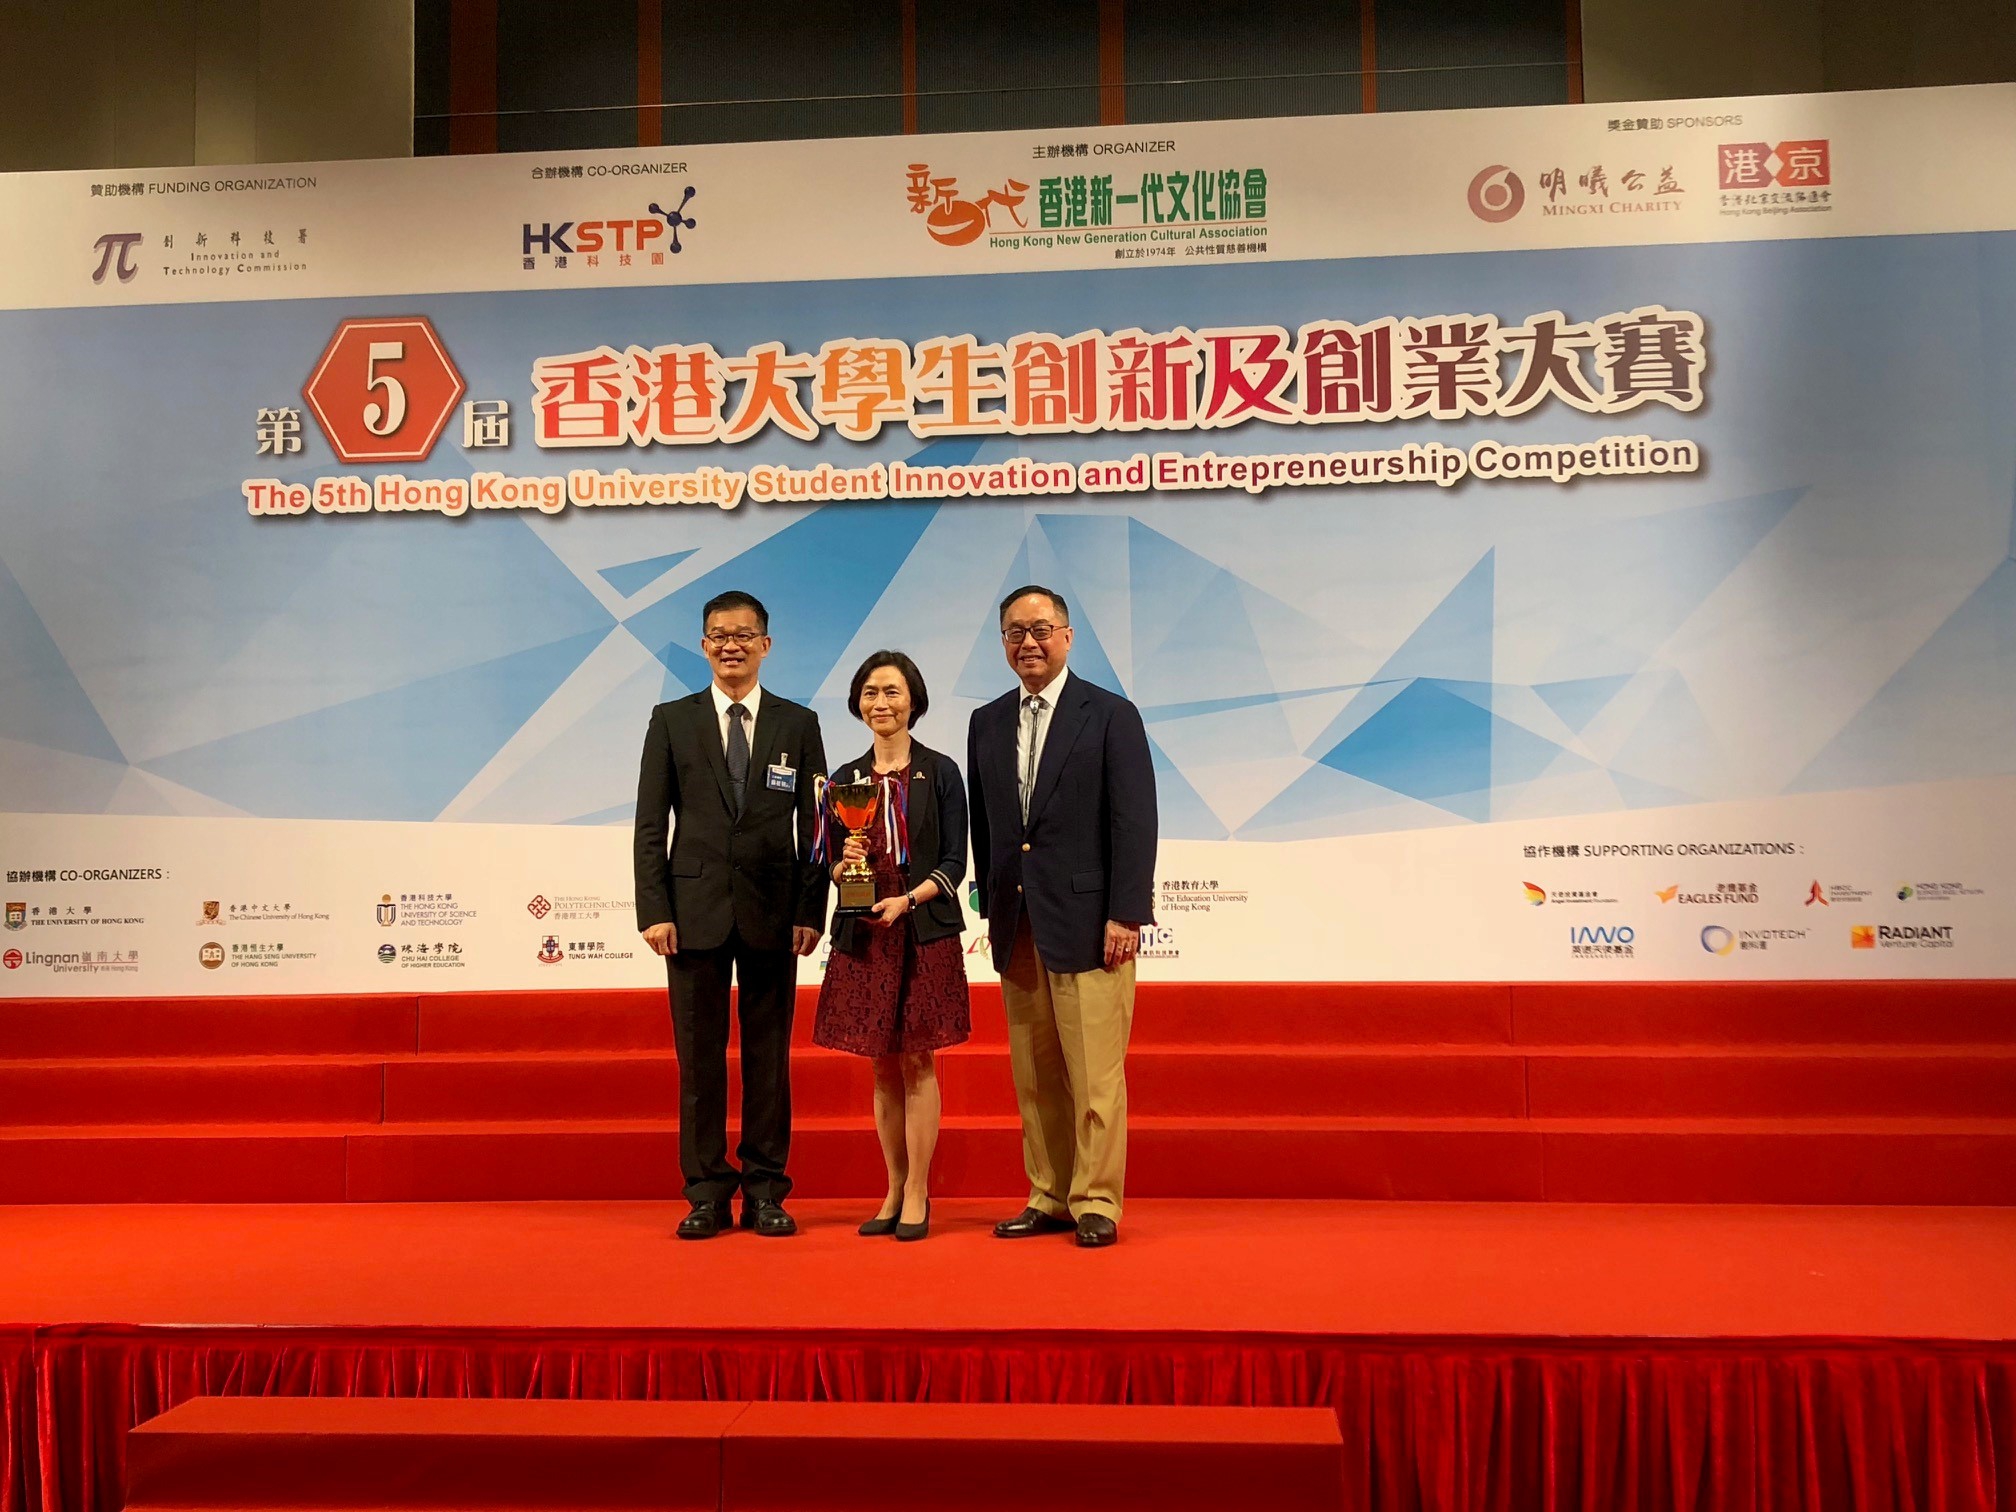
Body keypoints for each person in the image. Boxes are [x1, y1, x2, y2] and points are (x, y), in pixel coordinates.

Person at [634, 590, 827, 1239]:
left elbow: (820, 826)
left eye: (744, 635)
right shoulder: (671, 720)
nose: (731, 645)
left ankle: (767, 1189)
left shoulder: (797, 724)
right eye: (719, 635)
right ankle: (706, 1192)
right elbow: (648, 823)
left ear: (765, 645)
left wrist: (811, 908)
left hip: (776, 914)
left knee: (769, 1058)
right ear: (704, 644)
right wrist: (654, 908)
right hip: (692, 914)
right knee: (700, 1059)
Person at [967, 585, 1157, 1248]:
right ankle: (1048, 1193)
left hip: (1091, 924)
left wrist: (1127, 912)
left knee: (1095, 1074)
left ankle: (1097, 1200)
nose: (1029, 642)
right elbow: (987, 829)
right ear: (1003, 643)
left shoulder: (1109, 715)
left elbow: (1133, 820)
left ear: (1068, 636)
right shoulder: (986, 722)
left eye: (1042, 629)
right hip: (1017, 925)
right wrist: (989, 907)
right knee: (1035, 1074)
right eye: (1016, 632)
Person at [812, 651, 971, 1243]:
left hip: (923, 929)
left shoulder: (941, 771)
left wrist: (912, 898)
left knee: (919, 1059)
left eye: (893, 692)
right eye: (871, 692)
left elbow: (957, 858)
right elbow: (827, 859)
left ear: (914, 701)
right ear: (858, 703)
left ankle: (920, 1190)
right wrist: (843, 866)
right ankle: (892, 1185)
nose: (882, 703)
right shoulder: (844, 779)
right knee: (881, 1065)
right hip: (865, 932)